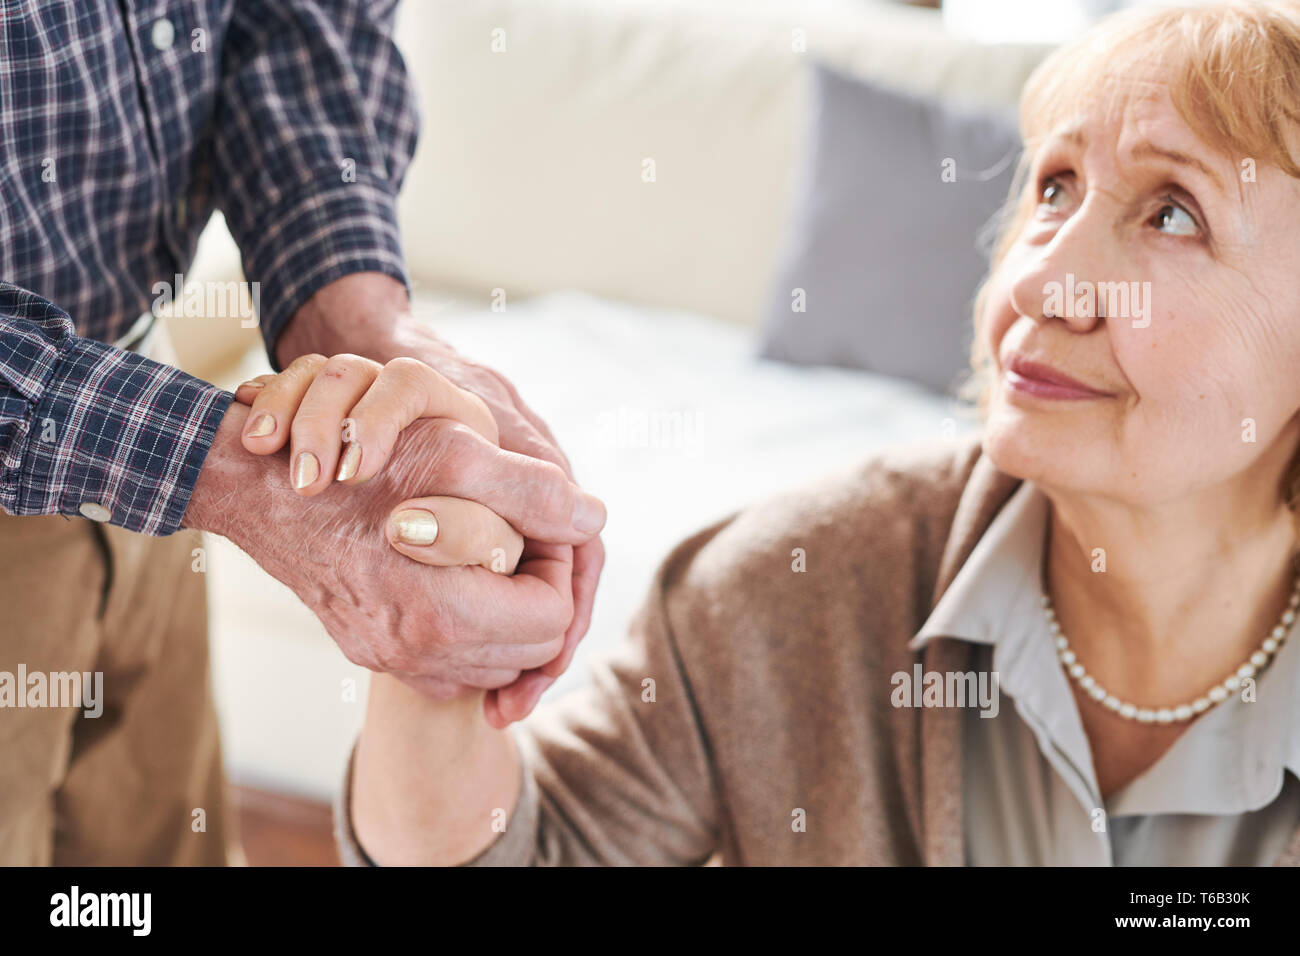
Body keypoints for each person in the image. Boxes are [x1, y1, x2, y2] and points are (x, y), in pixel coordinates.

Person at [325, 0, 1300, 865]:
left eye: (1172, 214)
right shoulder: (789, 586)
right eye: (1052, 187)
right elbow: (533, 853)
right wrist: (434, 644)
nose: (1041, 283)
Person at [0, 1, 604, 866]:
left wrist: (353, 316)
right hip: (155, 444)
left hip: (145, 419)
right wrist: (236, 477)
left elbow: (293, 17)